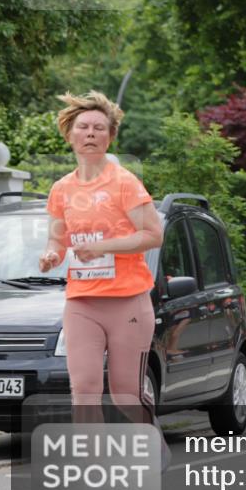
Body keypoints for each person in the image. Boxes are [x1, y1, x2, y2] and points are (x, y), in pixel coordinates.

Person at [38, 91, 165, 451]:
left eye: (98, 127)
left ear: (110, 137)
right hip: (82, 302)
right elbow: (57, 240)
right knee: (84, 389)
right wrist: (50, 255)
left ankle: (150, 443)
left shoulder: (124, 182)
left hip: (128, 302)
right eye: (83, 127)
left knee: (125, 394)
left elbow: (153, 235)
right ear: (70, 134)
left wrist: (103, 247)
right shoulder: (61, 189)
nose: (90, 133)